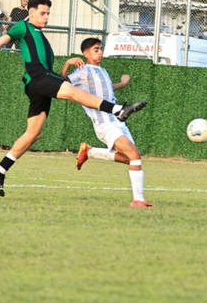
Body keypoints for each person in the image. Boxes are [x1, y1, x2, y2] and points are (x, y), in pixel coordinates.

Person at [0, 0, 148, 198]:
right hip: (38, 77)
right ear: (30, 12)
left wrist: (66, 65)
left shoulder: (41, 36)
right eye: (42, 13)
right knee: (73, 92)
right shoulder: (22, 27)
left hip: (40, 83)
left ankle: (1, 169)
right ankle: (118, 109)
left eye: (48, 13)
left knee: (33, 133)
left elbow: (55, 73)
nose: (46, 17)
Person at [60, 37, 153, 208]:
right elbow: (61, 83)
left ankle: (89, 152)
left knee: (130, 159)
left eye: (100, 49)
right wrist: (67, 64)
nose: (100, 52)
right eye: (96, 49)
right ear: (85, 53)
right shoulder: (83, 71)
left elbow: (106, 88)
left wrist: (123, 84)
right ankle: (138, 200)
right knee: (134, 156)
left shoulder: (102, 71)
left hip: (117, 121)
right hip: (105, 123)